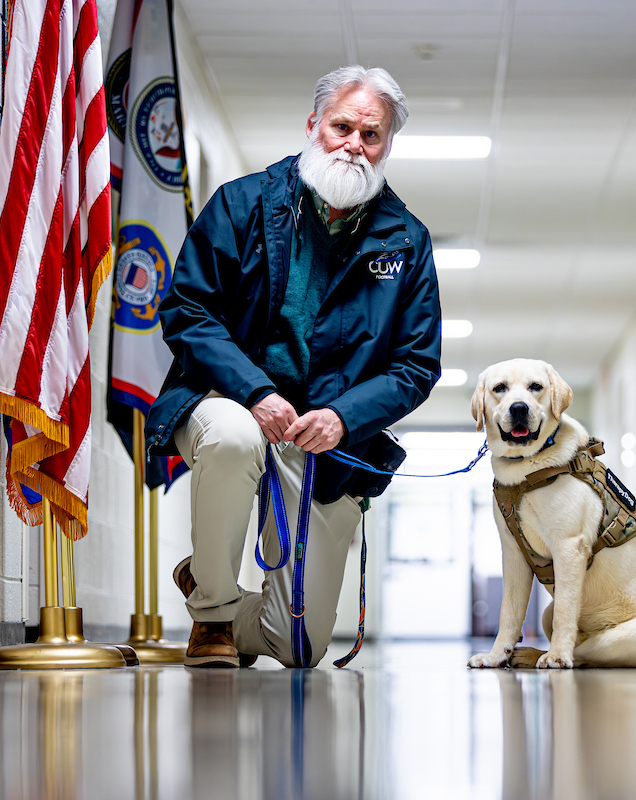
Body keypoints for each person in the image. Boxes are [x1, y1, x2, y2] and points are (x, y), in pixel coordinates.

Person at [145, 65, 442, 667]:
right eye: (342, 126)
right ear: (314, 125)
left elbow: (415, 365)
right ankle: (213, 619)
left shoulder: (407, 241)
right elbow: (187, 309)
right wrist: (254, 391)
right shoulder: (243, 203)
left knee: (298, 644)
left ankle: (209, 585)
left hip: (322, 435)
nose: (354, 145)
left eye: (372, 135)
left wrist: (342, 416)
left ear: (388, 146)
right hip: (228, 400)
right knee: (232, 436)